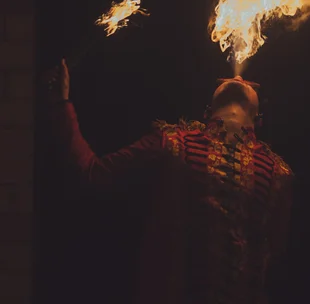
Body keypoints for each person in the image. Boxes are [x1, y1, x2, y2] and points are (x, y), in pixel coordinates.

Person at [46, 58, 293, 304]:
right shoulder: (172, 142)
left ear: (258, 119)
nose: (238, 78)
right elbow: (93, 173)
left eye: (244, 81)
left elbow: (274, 258)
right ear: (208, 111)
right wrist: (61, 103)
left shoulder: (279, 174)